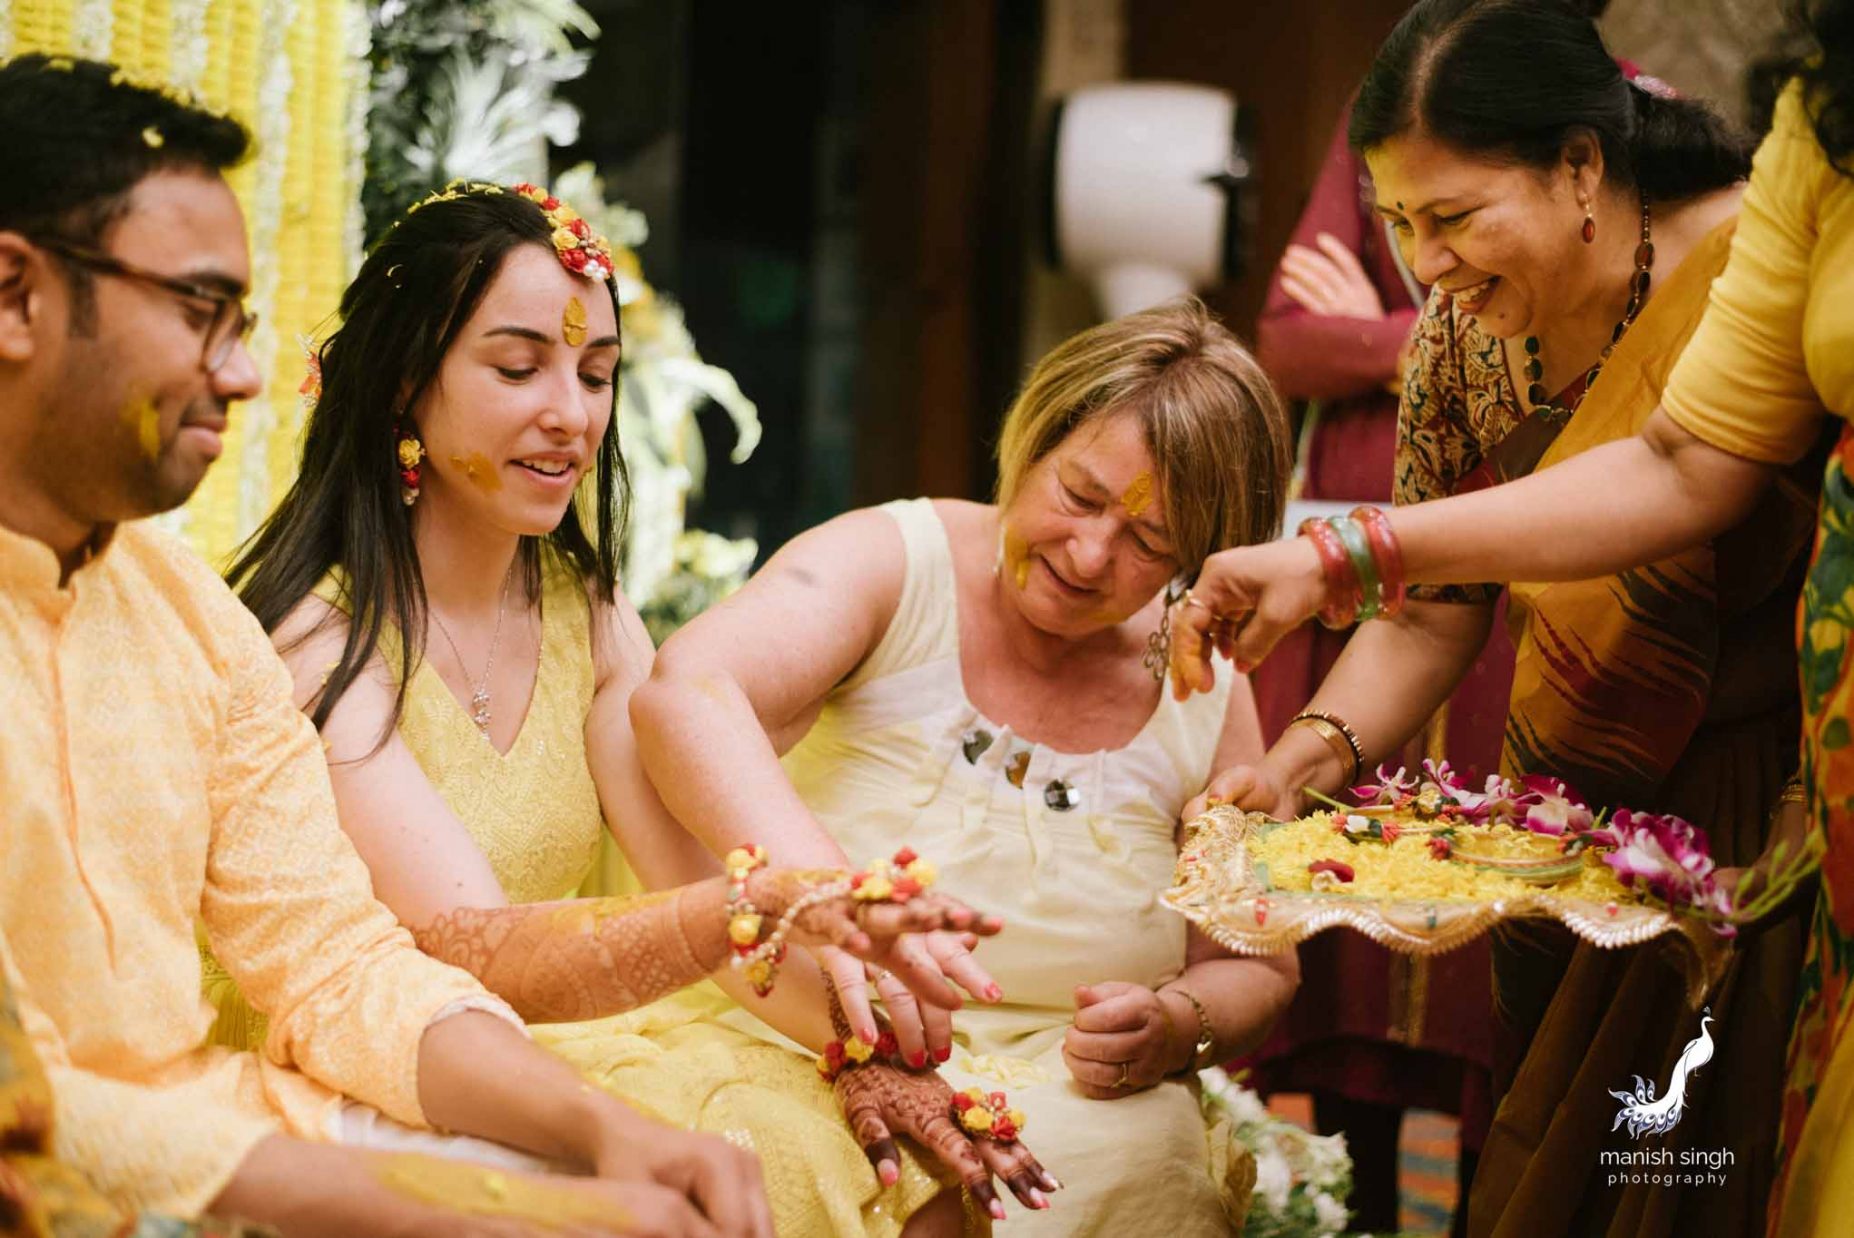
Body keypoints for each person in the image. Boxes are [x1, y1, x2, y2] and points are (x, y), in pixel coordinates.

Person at [0, 53, 771, 1238]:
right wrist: (476, 1209)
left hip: (232, 1127)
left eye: (242, 324)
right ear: (15, 297)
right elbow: (35, 1104)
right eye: (200, 313)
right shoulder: (307, 628)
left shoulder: (194, 626)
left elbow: (336, 960)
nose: (247, 372)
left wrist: (606, 1135)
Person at [213, 178, 1039, 1237]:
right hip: (391, 1061)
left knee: (898, 1151)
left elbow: (701, 892)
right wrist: (765, 906)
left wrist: (871, 1051)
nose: (572, 411)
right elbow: (472, 951)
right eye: (519, 367)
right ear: (405, 381)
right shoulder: (318, 637)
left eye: (596, 373)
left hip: (559, 1035)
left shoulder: (590, 616)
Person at [1172, 2, 1853, 1233]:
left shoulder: (1752, 268)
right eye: (1395, 225)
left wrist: (1336, 555)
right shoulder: (1461, 345)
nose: (1424, 264)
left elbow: (1676, 467)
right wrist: (1305, 756)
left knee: (1695, 1177)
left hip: (1750, 829)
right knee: (1543, 1179)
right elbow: (1433, 616)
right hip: (1564, 820)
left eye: (1453, 216)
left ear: (1581, 167)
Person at [629, 298, 1302, 1237]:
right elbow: (683, 690)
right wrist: (836, 900)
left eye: (1151, 543)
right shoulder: (893, 561)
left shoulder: (1207, 687)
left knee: (1149, 1163)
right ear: (1032, 439)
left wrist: (1178, 1022)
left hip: (1071, 1105)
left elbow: (1256, 966)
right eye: (1078, 494)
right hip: (796, 1032)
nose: (1090, 552)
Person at [1251, 95, 1504, 1235]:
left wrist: (1388, 335)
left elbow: (1555, 359)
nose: (1431, 248)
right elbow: (1289, 341)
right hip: (1352, 549)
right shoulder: (1380, 107)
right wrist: (1436, 340)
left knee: (1476, 876)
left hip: (1510, 561)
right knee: (1341, 894)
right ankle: (1348, 1200)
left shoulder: (1626, 107)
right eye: (1409, 222)